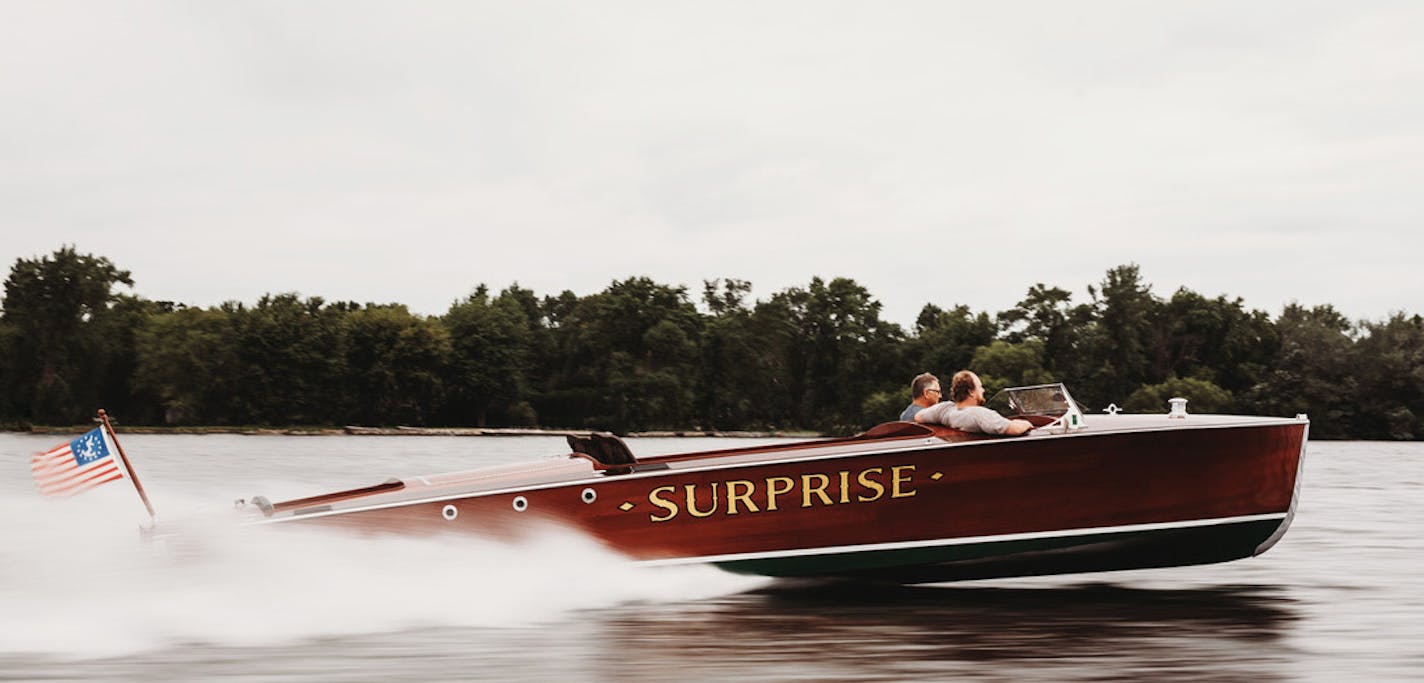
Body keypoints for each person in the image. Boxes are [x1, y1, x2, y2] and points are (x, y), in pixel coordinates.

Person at [916, 370, 1033, 436]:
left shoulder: (944, 409)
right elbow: (1014, 429)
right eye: (980, 387)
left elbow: (919, 417)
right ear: (971, 392)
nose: (983, 390)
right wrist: (1027, 423)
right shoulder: (979, 414)